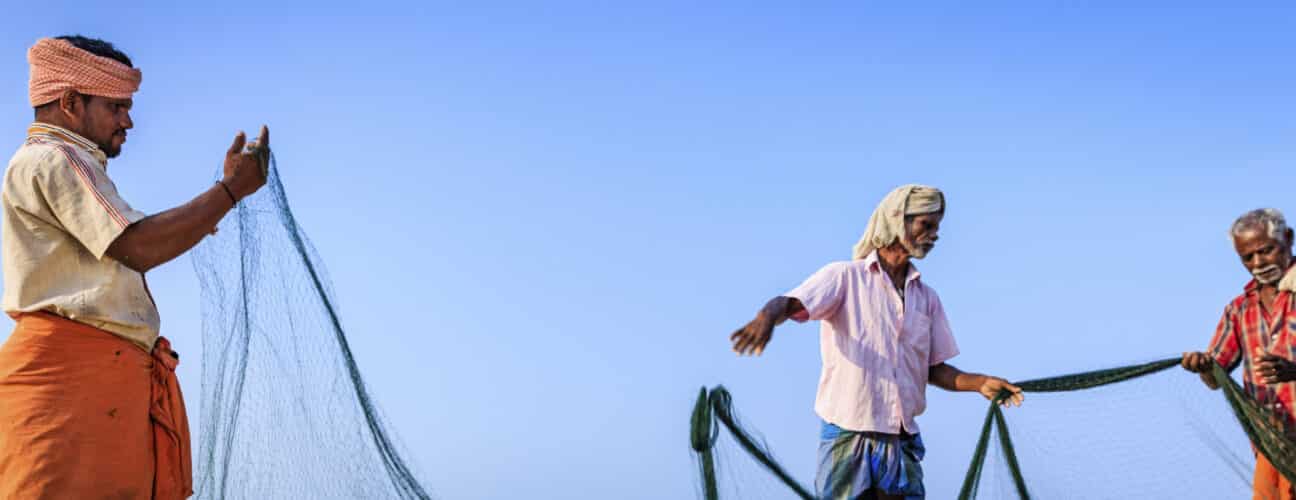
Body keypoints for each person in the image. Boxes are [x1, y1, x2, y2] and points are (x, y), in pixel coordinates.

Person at [0, 35, 268, 499]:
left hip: (94, 387)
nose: (128, 121)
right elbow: (137, 245)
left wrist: (222, 195)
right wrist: (228, 193)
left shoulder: (64, 162)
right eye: (116, 107)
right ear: (69, 102)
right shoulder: (55, 158)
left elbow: (138, 239)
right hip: (69, 389)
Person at [729, 184, 1023, 500]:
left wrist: (980, 383)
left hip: (901, 441)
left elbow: (933, 369)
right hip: (847, 434)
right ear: (898, 220)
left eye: (936, 227)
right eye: (926, 225)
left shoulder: (926, 299)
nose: (934, 235)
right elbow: (789, 302)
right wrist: (766, 318)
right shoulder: (845, 278)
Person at [1183, 208, 1296, 500]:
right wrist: (1203, 365)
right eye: (1248, 257)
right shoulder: (1239, 309)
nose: (1258, 263)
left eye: (1266, 251)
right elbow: (1214, 378)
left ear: (1288, 238)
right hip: (1272, 447)